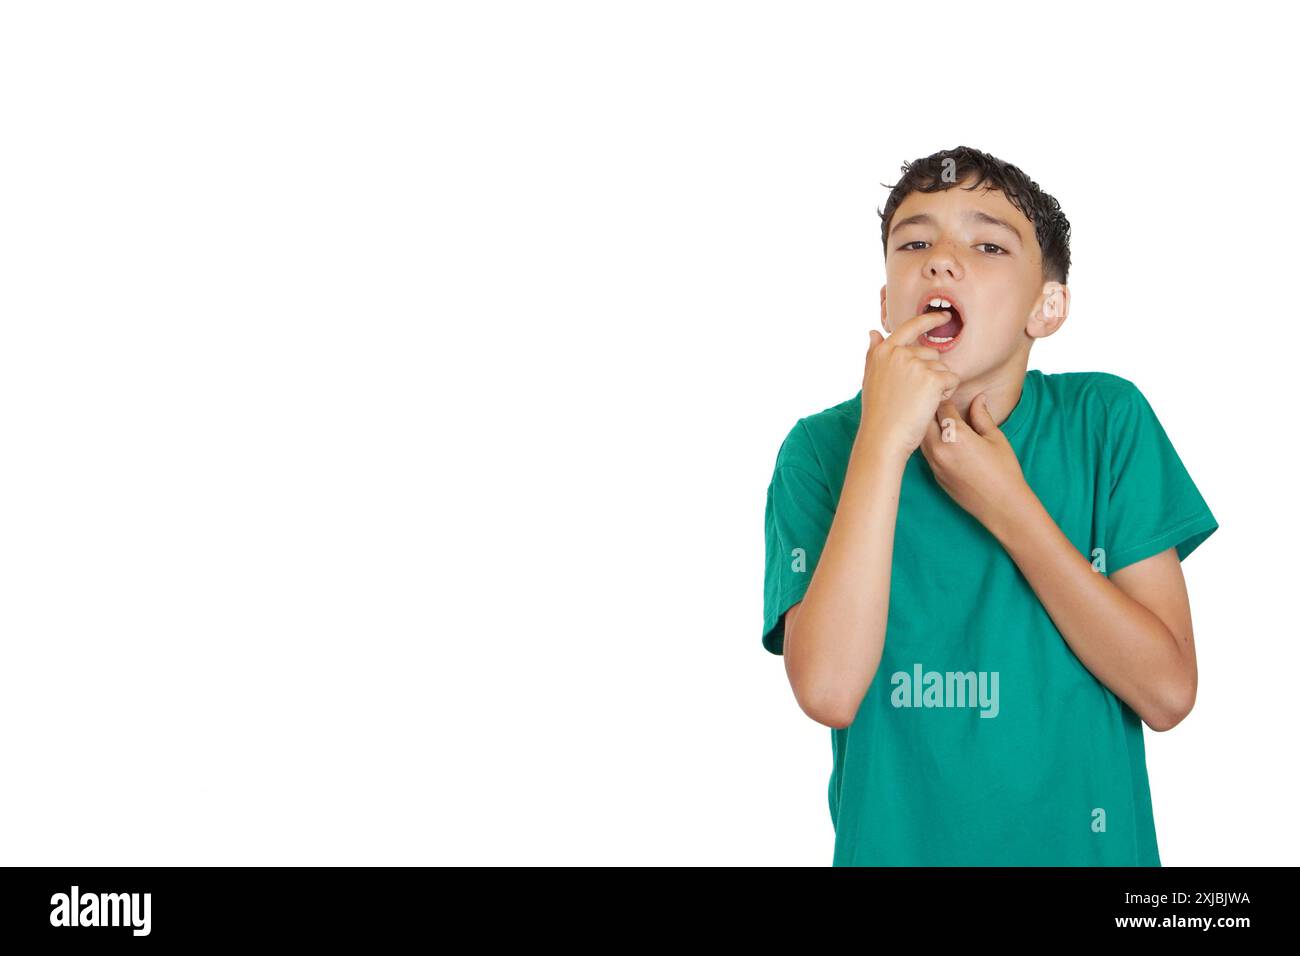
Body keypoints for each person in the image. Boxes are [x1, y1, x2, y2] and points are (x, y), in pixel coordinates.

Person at [761, 145, 1218, 866]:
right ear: (886, 301)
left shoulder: (1107, 422)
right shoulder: (820, 451)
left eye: (987, 244)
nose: (941, 261)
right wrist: (882, 442)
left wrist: (1008, 504)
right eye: (915, 242)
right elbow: (827, 689)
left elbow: (1167, 692)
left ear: (1047, 306)